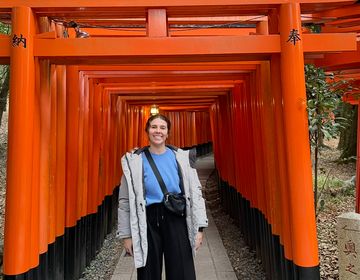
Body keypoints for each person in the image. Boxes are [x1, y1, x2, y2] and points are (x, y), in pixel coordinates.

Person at [117, 114, 208, 280]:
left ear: (168, 133)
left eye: (162, 128)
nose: (157, 131)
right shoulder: (135, 161)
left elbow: (196, 193)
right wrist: (126, 236)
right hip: (148, 219)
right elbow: (124, 201)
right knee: (148, 272)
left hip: (176, 217)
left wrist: (199, 229)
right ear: (147, 131)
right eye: (154, 127)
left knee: (182, 270)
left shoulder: (181, 158)